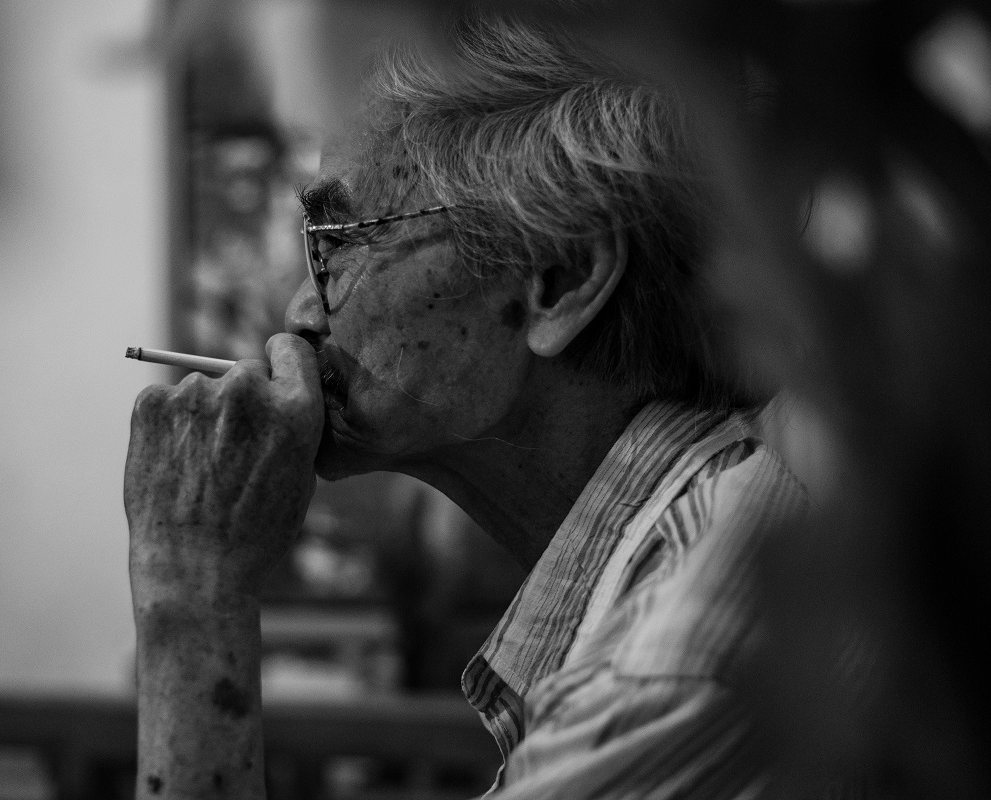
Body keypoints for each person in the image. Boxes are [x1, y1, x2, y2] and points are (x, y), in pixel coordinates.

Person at [124, 14, 850, 799]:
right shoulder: (708, 554)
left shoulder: (667, 666)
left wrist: (191, 592)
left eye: (340, 239)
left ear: (560, 281)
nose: (300, 311)